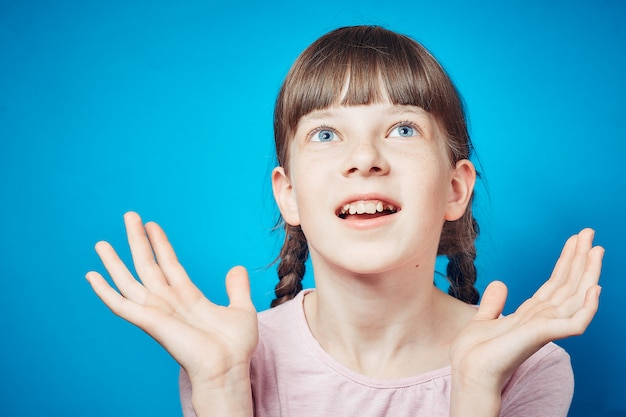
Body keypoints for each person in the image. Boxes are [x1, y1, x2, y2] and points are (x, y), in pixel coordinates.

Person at [86, 26, 604, 417]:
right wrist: (221, 385)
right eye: (326, 134)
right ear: (288, 196)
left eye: (402, 129)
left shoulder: (527, 366)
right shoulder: (224, 356)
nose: (364, 157)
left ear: (455, 189)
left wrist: (474, 390)